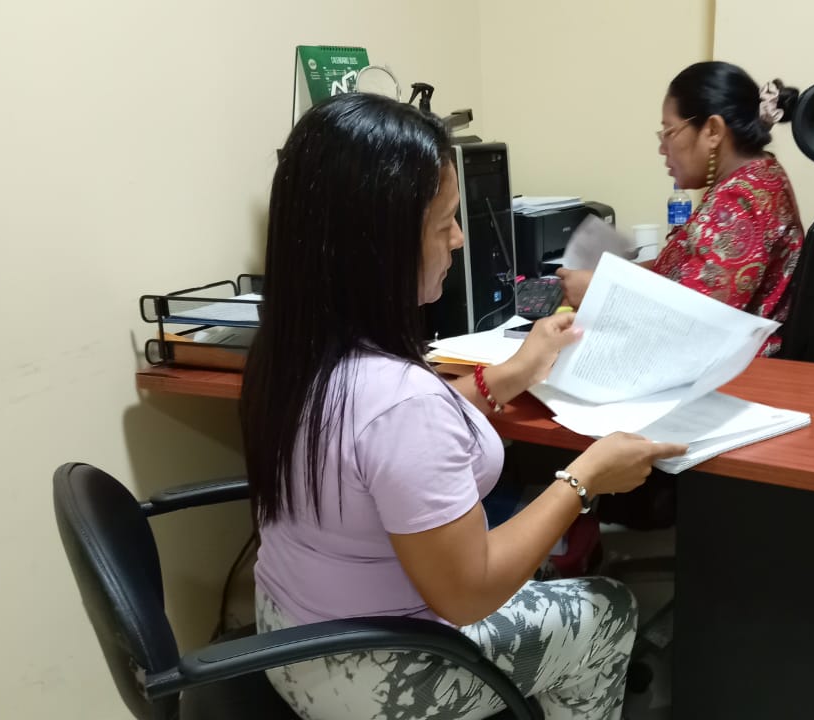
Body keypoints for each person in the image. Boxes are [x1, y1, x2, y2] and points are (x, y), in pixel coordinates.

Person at [239, 92, 686, 720]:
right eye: (444, 222)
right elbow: (468, 594)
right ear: (380, 242)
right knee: (607, 608)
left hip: (288, 638)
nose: (457, 239)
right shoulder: (401, 402)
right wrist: (585, 478)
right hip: (379, 679)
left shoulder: (290, 352)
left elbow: (380, 440)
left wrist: (514, 372)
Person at [558, 61, 805, 357]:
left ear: (712, 131)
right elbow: (691, 272)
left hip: (730, 370)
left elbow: (691, 326)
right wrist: (611, 277)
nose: (663, 148)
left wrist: (601, 293)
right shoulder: (757, 177)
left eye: (669, 132)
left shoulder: (740, 203)